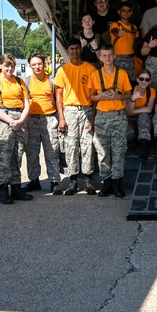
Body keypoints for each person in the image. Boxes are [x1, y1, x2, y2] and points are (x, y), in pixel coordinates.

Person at [0, 53, 32, 204]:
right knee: (4, 156)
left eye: (12, 65)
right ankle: (3, 189)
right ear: (0, 66)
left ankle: (16, 187)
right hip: (2, 119)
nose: (9, 68)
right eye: (6, 65)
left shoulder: (19, 81)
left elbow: (27, 103)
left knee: (17, 155)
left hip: (19, 119)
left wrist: (21, 120)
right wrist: (11, 121)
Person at [55, 39, 98, 195]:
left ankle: (87, 179)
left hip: (86, 109)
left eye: (77, 48)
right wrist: (61, 117)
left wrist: (92, 119)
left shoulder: (91, 69)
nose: (74, 51)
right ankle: (73, 180)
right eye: (71, 48)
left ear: (81, 50)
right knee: (71, 146)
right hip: (70, 110)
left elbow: (94, 96)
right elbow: (58, 96)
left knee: (87, 145)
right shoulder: (63, 70)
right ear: (68, 51)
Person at [89, 44, 132, 197]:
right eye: (104, 55)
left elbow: (128, 94)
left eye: (110, 55)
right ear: (100, 58)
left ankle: (117, 184)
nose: (107, 58)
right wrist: (100, 97)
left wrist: (117, 96)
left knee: (119, 151)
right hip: (102, 117)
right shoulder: (95, 75)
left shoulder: (122, 74)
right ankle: (106, 183)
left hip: (118, 116)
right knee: (103, 151)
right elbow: (92, 96)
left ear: (114, 56)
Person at [24, 53, 64, 195]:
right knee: (32, 152)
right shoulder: (26, 82)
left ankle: (54, 181)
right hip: (31, 120)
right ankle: (34, 180)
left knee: (52, 151)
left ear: (44, 65)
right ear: (30, 66)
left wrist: (60, 119)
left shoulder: (52, 81)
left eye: (39, 63)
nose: (37, 67)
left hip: (49, 120)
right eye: (33, 64)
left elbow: (59, 101)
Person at [127, 69, 157, 160]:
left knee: (144, 116)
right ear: (137, 79)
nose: (144, 82)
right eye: (142, 79)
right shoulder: (130, 89)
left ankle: (144, 147)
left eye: (147, 80)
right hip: (129, 118)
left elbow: (149, 109)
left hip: (140, 116)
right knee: (129, 133)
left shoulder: (151, 91)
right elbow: (127, 110)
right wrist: (133, 98)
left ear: (150, 81)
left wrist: (132, 111)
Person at [107, 2, 139, 84]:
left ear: (131, 13)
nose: (126, 13)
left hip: (131, 59)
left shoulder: (133, 27)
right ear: (119, 12)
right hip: (119, 59)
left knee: (132, 82)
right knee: (119, 82)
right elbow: (114, 31)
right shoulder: (115, 25)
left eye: (128, 11)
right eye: (123, 10)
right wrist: (118, 33)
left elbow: (136, 43)